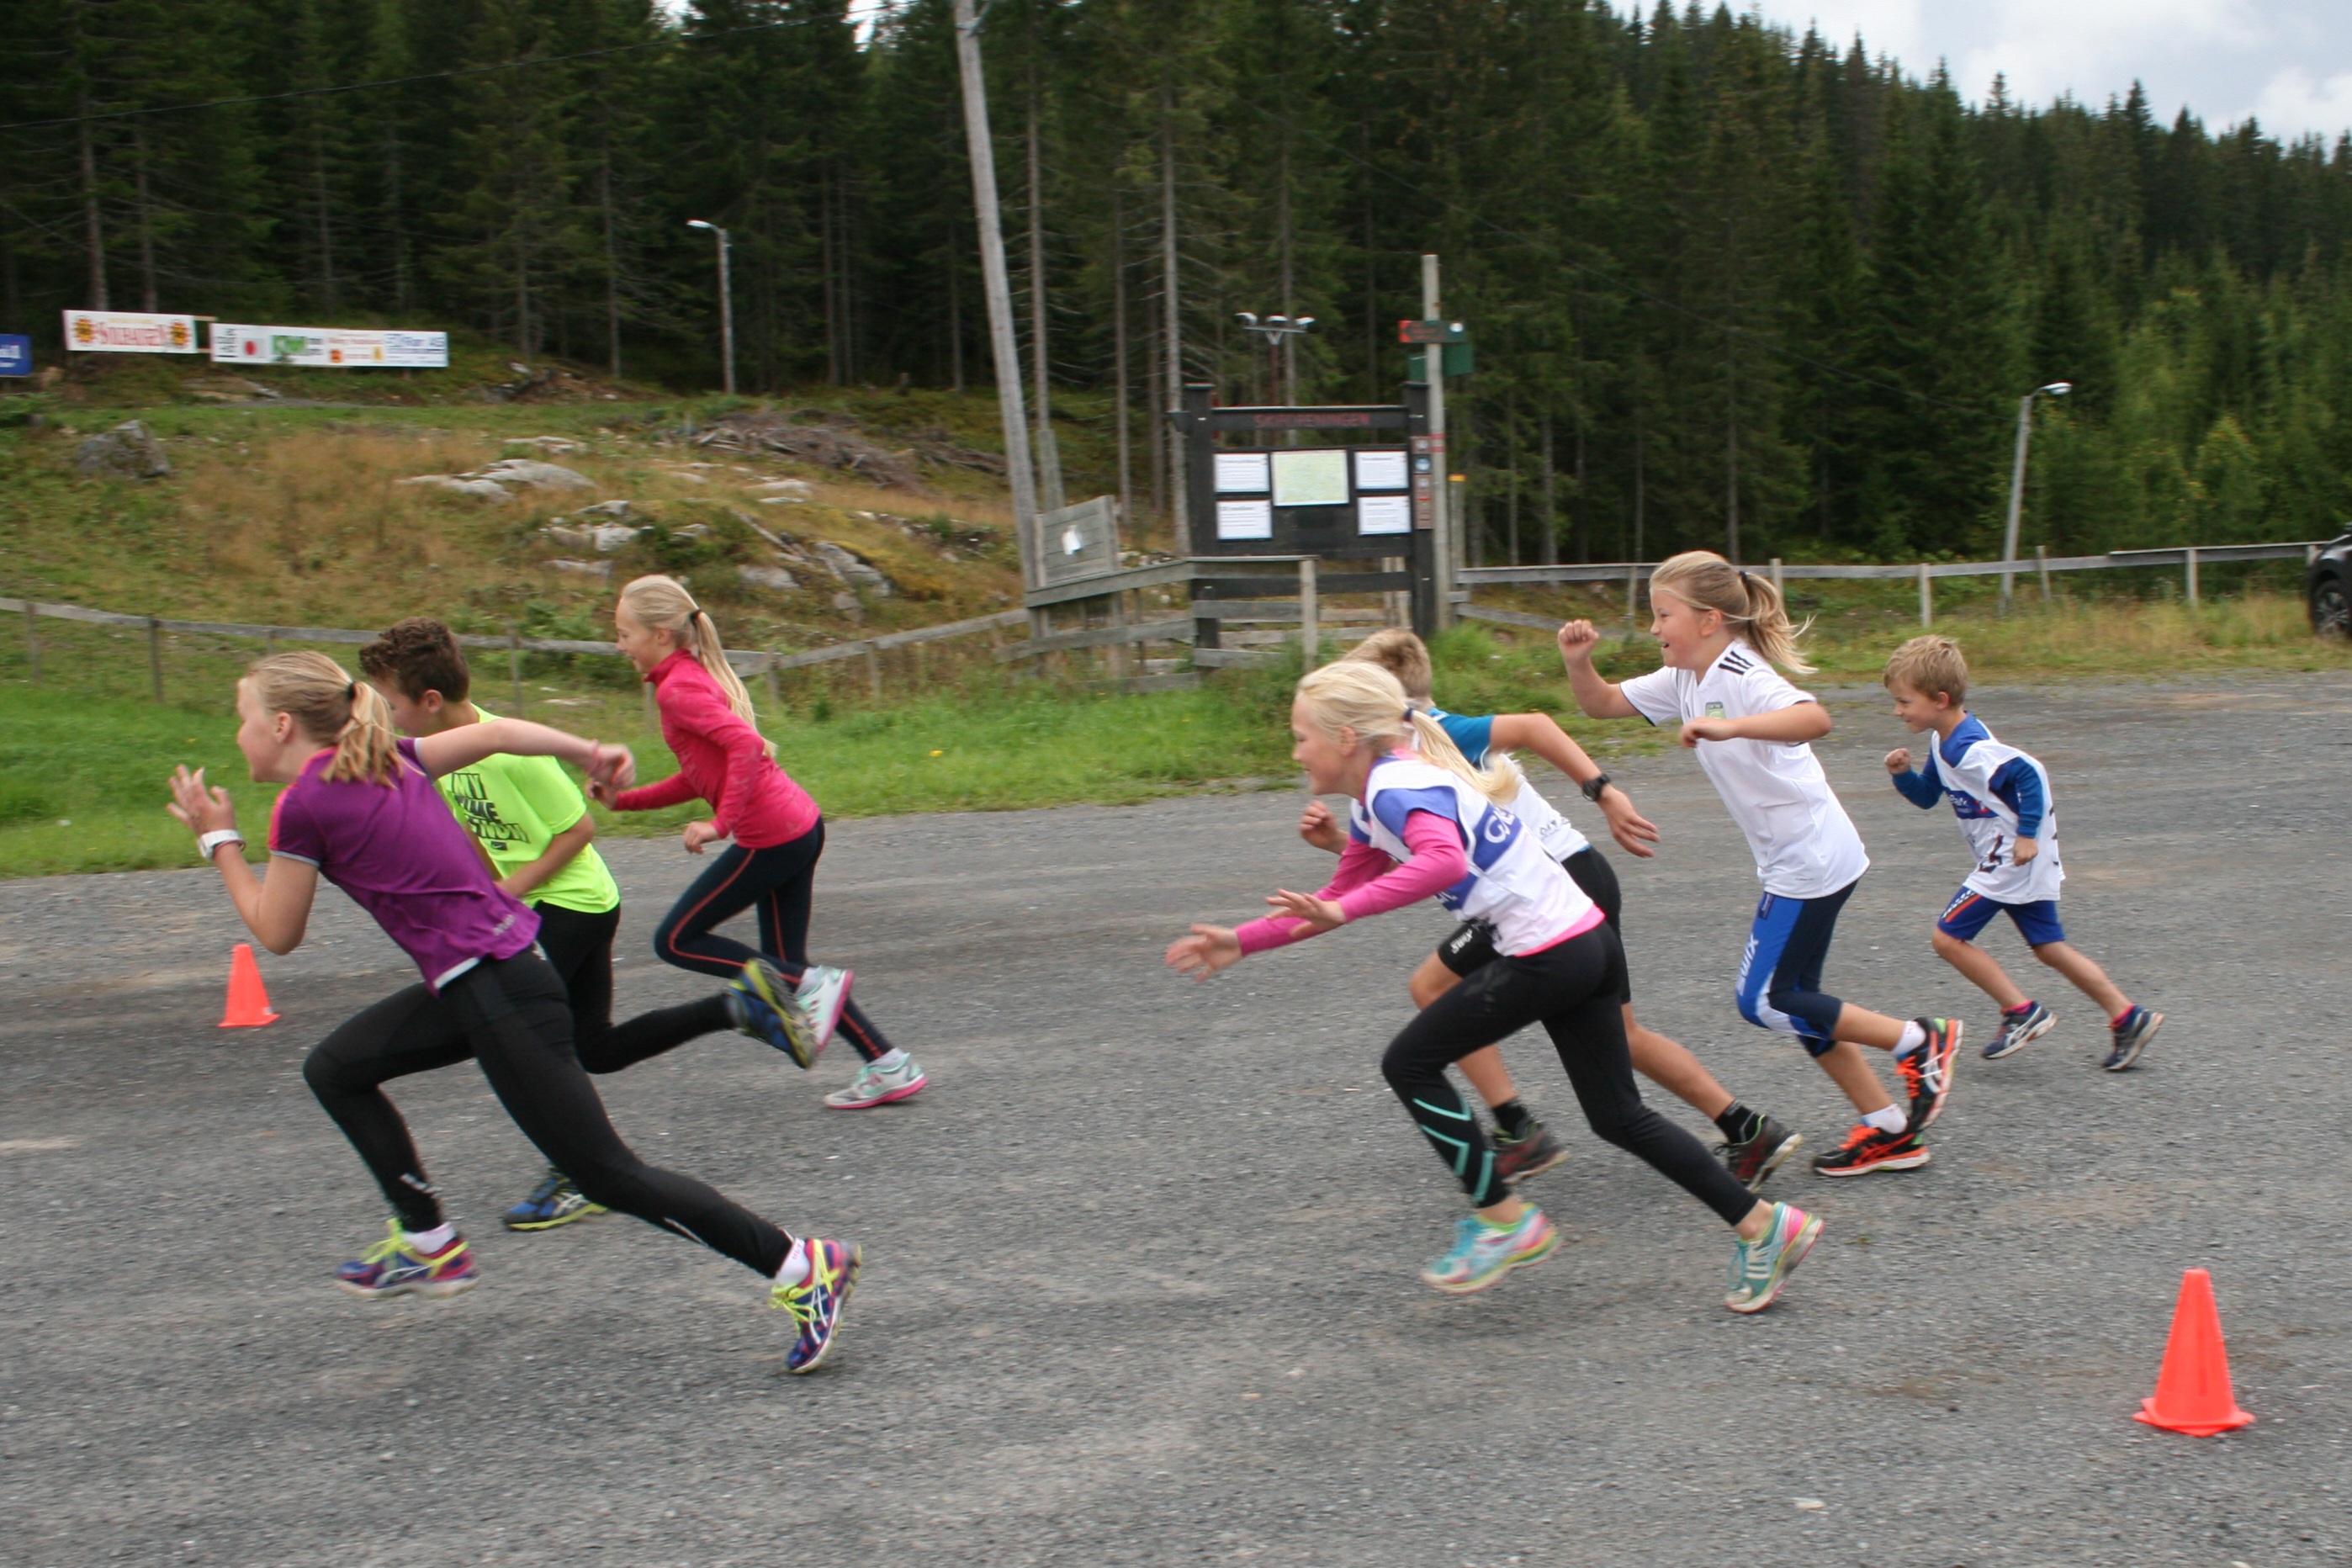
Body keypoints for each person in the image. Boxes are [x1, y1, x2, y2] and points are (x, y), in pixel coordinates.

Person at [166, 651, 856, 1372]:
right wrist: (589, 749)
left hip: (497, 994)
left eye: (242, 719)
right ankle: (430, 1246)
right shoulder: (390, 756)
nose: (237, 734)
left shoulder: (307, 803)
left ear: (281, 725)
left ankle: (804, 1267)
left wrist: (219, 841)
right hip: (491, 982)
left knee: (606, 1176)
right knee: (335, 1068)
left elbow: (277, 933)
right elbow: (495, 736)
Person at [1166, 660, 1821, 1311]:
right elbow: (1337, 896)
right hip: (1585, 939)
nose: (1294, 750)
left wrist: (1341, 910)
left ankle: (1505, 1220)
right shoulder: (1379, 798)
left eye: (1301, 735)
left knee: (1409, 1062)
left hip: (1548, 952)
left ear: (1343, 739)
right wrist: (1243, 939)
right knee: (1618, 1116)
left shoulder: (1396, 787)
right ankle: (1766, 1227)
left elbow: (1441, 860)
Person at [360, 617, 823, 1232]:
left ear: (430, 701)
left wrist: (507, 896)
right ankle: (739, 1007)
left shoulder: (506, 752)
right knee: (594, 1049)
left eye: (392, 705)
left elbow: (578, 831)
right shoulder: (438, 757)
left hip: (573, 905)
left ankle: (576, 1172)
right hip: (540, 906)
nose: (389, 720)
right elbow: (473, 834)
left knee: (523, 1043)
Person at [1307, 628, 1802, 1192]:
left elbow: (1537, 726)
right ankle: (1745, 1128)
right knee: (1618, 1033)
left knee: (1435, 988)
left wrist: (1604, 791)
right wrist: (1340, 846)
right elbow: (1427, 867)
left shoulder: (1435, 733)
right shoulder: (1399, 760)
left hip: (1558, 886)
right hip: (1562, 883)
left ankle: (1520, 1132)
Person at [1557, 550, 1963, 1178]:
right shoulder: (1684, 677)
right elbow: (1600, 704)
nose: (1654, 627)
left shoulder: (1742, 672)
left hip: (1811, 860)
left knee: (1764, 1000)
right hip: (1798, 859)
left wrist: (1731, 727)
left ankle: (1919, 1040)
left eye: (1663, 614)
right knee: (1798, 999)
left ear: (1710, 619)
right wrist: (1578, 663)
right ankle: (1889, 1130)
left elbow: (1814, 716)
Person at [598, 575, 924, 1111]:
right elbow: (701, 775)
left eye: (623, 632)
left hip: (772, 837)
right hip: (797, 827)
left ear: (659, 634)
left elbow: (746, 747)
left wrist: (720, 825)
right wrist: (623, 802)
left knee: (676, 939)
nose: (618, 644)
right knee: (786, 968)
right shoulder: (681, 678)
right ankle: (888, 1065)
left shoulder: (678, 688)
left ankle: (817, 986)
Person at [1881, 634, 2163, 1071]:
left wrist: (2028, 835)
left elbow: (2031, 773)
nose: (1897, 711)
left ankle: (2021, 1012)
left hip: (2011, 857)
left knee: (1948, 939)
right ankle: (2128, 1017)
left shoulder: (1967, 747)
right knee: (2049, 947)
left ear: (1939, 699)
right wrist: (1903, 775)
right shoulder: (1943, 740)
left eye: (1903, 702)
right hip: (2015, 858)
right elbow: (1927, 797)